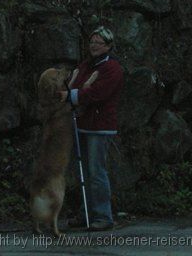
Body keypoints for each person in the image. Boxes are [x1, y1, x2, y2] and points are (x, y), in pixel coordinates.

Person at [58, 26, 124, 231]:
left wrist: (71, 96)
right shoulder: (86, 65)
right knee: (83, 171)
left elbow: (98, 93)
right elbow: (73, 83)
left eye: (99, 42)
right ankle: (86, 212)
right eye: (92, 42)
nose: (94, 46)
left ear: (109, 46)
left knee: (96, 171)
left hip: (100, 126)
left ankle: (103, 216)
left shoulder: (112, 68)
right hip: (83, 123)